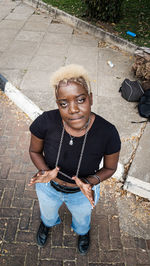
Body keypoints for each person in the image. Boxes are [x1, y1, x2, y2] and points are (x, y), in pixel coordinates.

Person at [28, 64, 121, 254]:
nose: (73, 109)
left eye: (80, 99)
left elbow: (110, 168)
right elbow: (34, 152)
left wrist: (89, 182)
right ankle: (47, 224)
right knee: (47, 212)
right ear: (57, 104)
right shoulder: (45, 122)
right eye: (63, 103)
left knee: (82, 218)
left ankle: (82, 233)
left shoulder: (108, 132)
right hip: (48, 186)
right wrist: (46, 172)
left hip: (82, 193)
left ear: (91, 98)